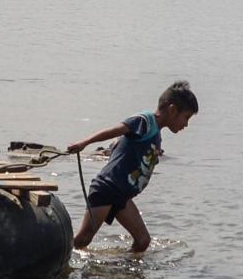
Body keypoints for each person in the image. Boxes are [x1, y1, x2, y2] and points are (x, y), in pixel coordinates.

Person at [60, 81, 201, 255]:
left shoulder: (155, 133)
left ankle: (123, 271)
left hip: (122, 195)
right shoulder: (145, 121)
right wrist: (84, 143)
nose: (186, 124)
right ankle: (54, 257)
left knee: (143, 241)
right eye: (186, 117)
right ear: (172, 110)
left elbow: (122, 144)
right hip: (108, 188)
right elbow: (115, 130)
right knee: (83, 239)